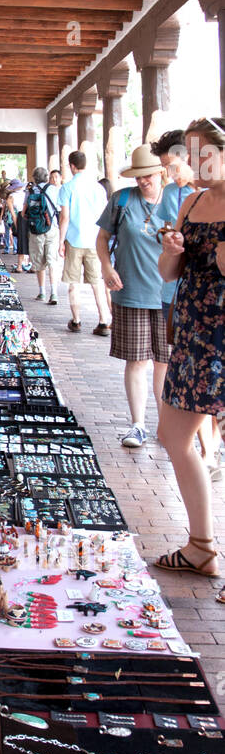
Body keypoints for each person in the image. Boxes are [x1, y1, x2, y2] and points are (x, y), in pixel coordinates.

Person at [155, 116, 225, 578]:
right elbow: (168, 274)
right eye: (191, 153)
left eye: (207, 154)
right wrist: (173, 248)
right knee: (173, 436)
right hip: (194, 334)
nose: (196, 163)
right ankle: (201, 544)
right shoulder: (192, 201)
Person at [95, 145, 177, 449]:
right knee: (137, 360)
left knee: (164, 363)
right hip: (129, 291)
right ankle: (138, 424)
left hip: (168, 294)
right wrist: (106, 266)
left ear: (161, 172)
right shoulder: (122, 200)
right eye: (139, 176)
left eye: (149, 175)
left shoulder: (176, 202)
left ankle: (165, 427)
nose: (143, 181)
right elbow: (103, 238)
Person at [57, 150, 113, 335]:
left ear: (72, 166)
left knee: (74, 283)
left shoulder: (67, 188)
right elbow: (105, 215)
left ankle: (76, 320)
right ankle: (103, 321)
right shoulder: (98, 188)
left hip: (74, 239)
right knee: (97, 283)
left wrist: (61, 241)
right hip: (95, 240)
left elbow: (64, 217)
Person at [24, 168, 61, 304]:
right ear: (46, 177)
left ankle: (42, 292)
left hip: (36, 231)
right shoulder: (54, 190)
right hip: (52, 229)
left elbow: (24, 213)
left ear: (34, 178)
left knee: (39, 262)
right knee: (52, 261)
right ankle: (54, 293)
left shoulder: (31, 191)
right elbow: (59, 210)